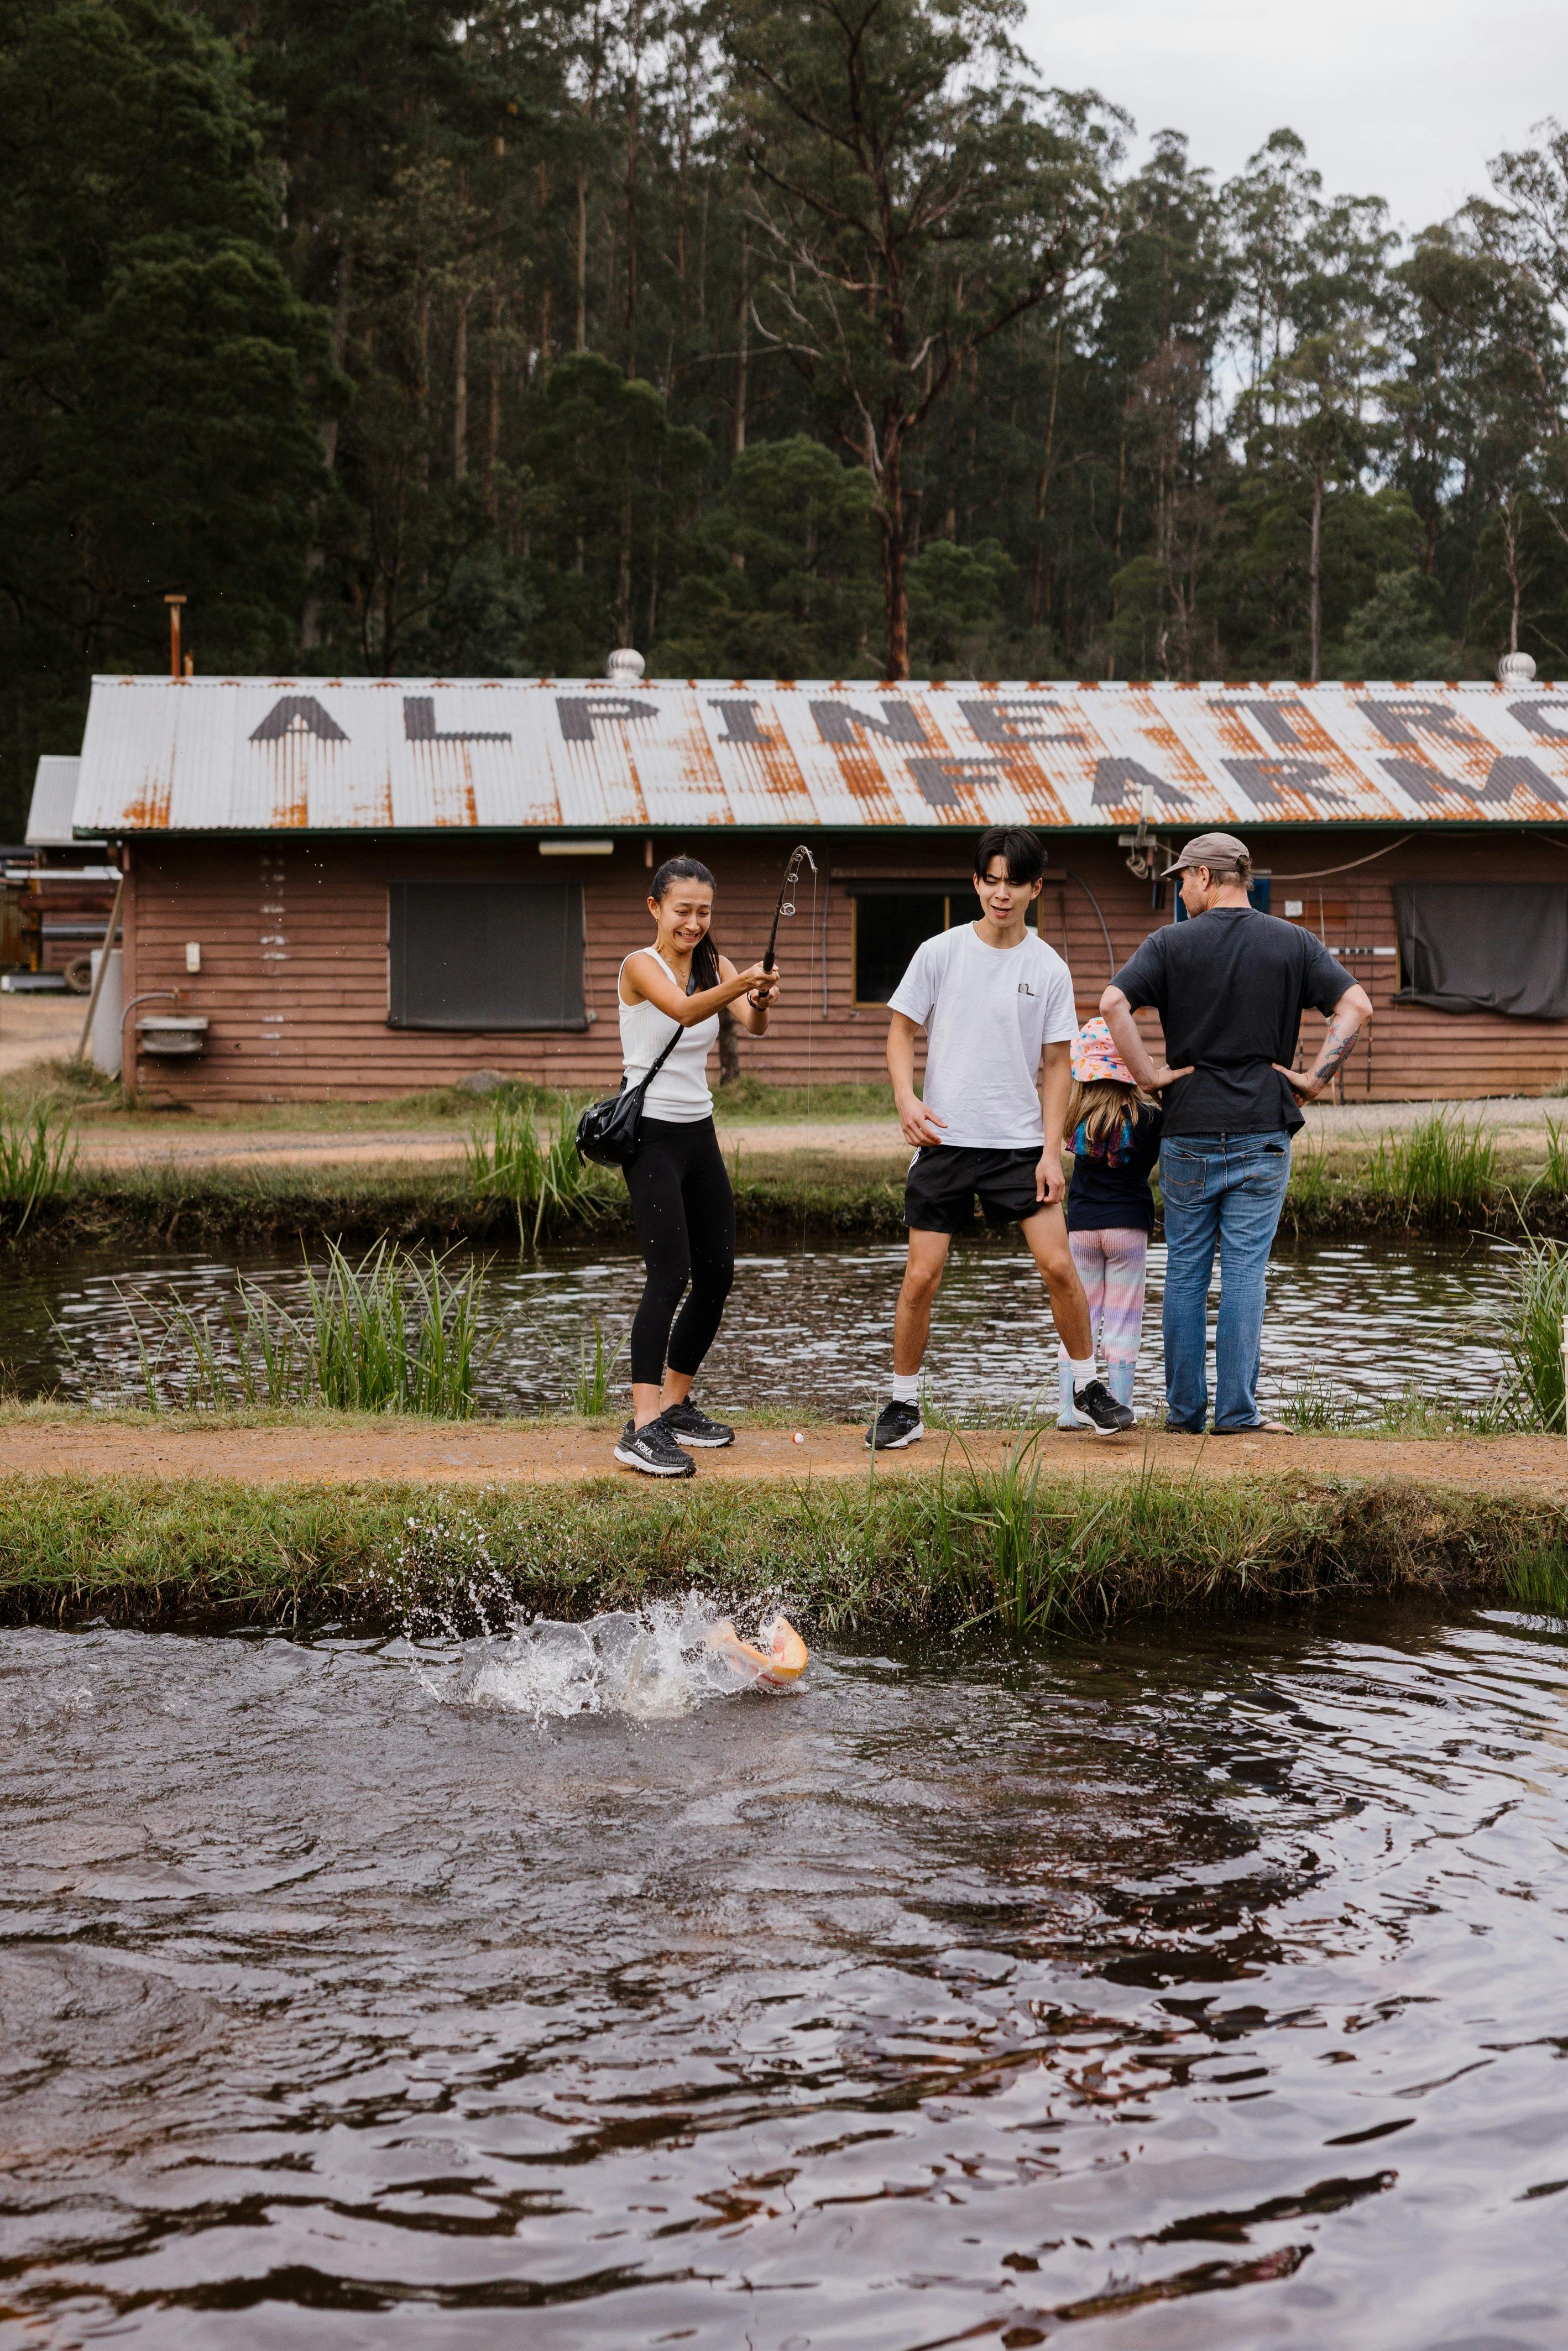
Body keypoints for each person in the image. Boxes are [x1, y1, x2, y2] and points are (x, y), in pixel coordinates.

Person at [866, 826, 1137, 1449]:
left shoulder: (1049, 967)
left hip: (1018, 1146)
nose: (1001, 894)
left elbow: (1057, 1065)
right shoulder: (939, 953)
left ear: (1035, 888)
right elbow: (900, 1031)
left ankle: (1087, 1389)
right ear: (976, 882)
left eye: (1014, 883)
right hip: (944, 1141)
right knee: (921, 1277)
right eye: (990, 881)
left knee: (1059, 1267)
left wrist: (1050, 1151)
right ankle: (904, 1404)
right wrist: (906, 1099)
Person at [1100, 830, 1372, 1435]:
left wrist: (1148, 1076)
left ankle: (1183, 1414)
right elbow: (1356, 1006)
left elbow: (1113, 1002)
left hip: (1189, 1127)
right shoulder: (1293, 942)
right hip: (1262, 1127)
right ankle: (1237, 1415)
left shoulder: (1168, 943)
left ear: (1203, 876)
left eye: (1181, 880)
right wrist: (1314, 1079)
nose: (1180, 893)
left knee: (1186, 1272)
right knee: (1246, 1273)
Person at [613, 856, 780, 1478]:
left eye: (703, 911)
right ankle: (641, 1427)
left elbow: (753, 1025)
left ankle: (675, 1405)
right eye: (682, 910)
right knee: (669, 1275)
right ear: (655, 908)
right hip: (651, 1135)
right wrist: (741, 984)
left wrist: (759, 996)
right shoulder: (639, 966)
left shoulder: (719, 966)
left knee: (717, 1273)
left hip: (698, 1131)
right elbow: (684, 1011)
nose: (693, 922)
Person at [1057, 1018, 1162, 1429]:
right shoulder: (1148, 1120)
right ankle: (1117, 1409)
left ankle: (1068, 1411)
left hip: (1081, 1228)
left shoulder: (1075, 1118)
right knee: (1122, 1320)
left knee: (1079, 1316)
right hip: (1127, 1229)